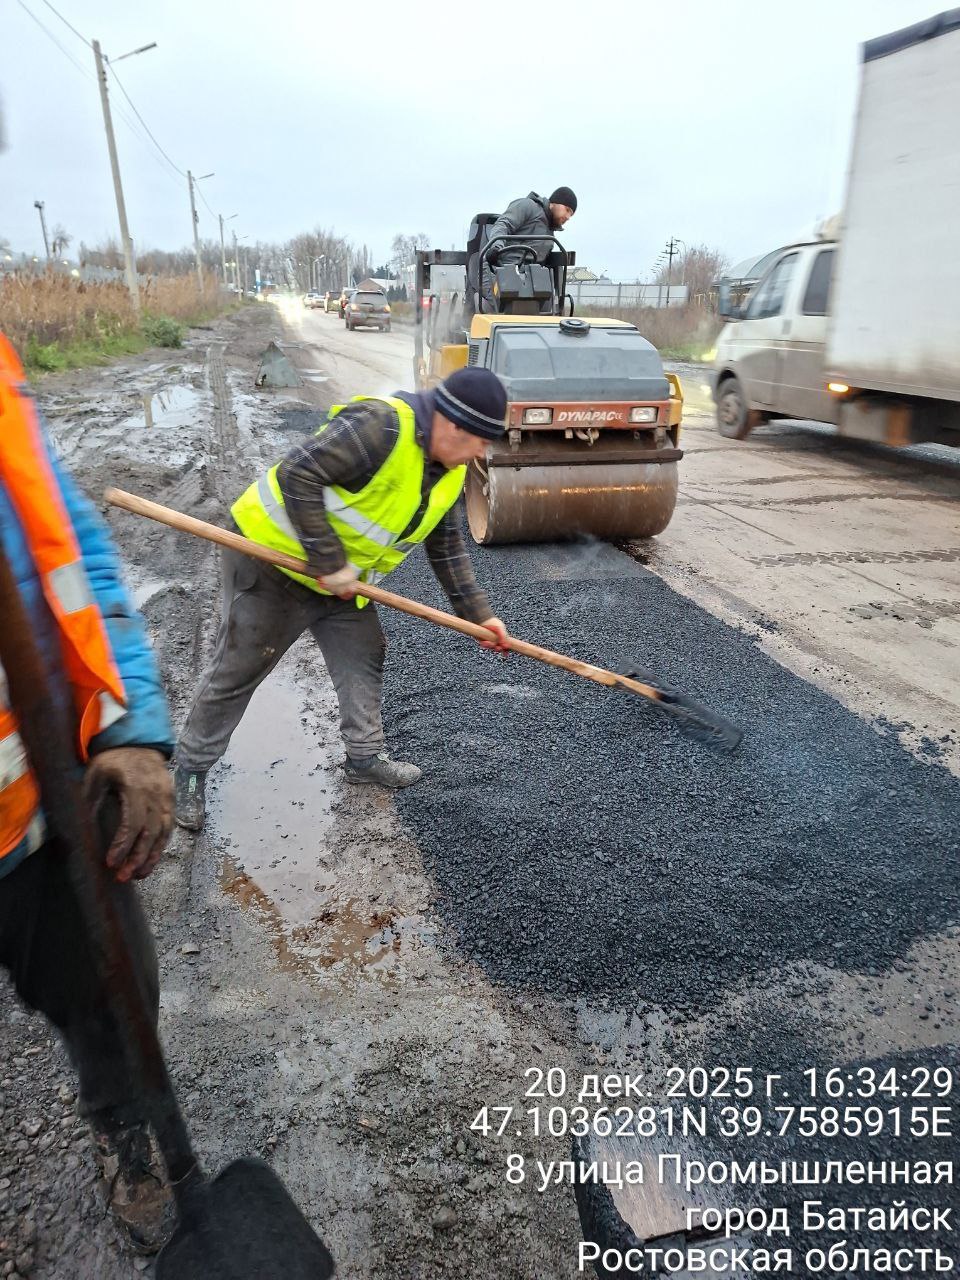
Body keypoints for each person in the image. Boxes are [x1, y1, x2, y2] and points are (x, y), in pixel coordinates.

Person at [0, 332, 177, 1253]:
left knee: (114, 990)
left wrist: (129, 720)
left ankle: (127, 1138)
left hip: (34, 802)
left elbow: (75, 555)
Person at [174, 367, 511, 832]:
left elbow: (448, 546)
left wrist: (480, 617)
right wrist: (330, 561)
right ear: (454, 426)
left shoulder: (450, 472)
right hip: (273, 563)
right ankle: (190, 771)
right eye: (480, 441)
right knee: (240, 667)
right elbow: (298, 474)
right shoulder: (380, 426)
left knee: (364, 653)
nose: (482, 453)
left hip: (339, 581)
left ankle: (364, 758)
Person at [481, 186, 577, 312]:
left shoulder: (550, 236)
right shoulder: (527, 206)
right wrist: (496, 247)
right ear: (555, 203)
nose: (568, 216)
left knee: (543, 306)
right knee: (507, 306)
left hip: (527, 280)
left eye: (571, 214)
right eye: (567, 210)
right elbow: (503, 224)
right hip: (498, 270)